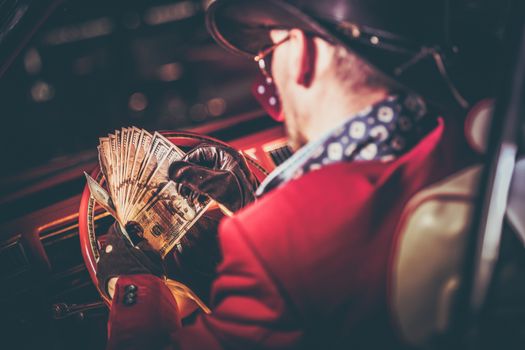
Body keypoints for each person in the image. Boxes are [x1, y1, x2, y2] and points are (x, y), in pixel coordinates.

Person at [97, 0, 496, 349]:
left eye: (267, 56)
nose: (271, 81)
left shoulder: (273, 241)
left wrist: (133, 284)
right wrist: (251, 206)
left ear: (302, 53)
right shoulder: (480, 138)